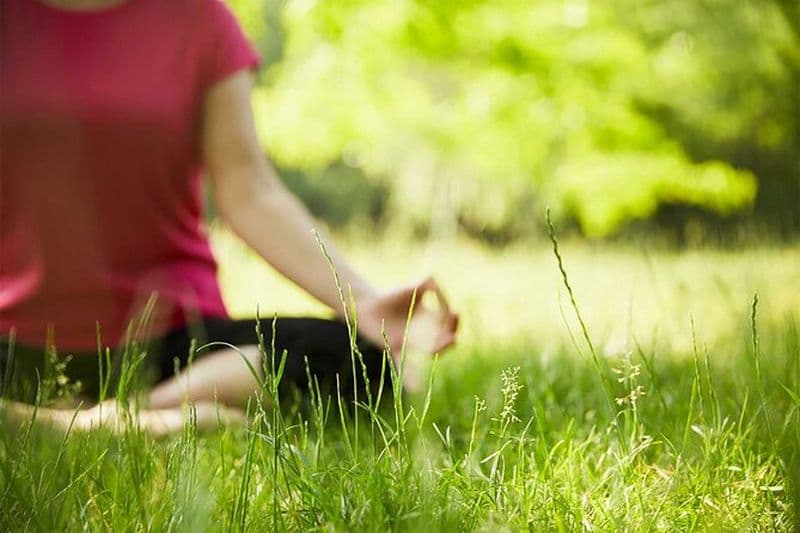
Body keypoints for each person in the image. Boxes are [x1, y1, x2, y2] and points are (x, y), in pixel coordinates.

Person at [0, 0, 458, 436]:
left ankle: (132, 415)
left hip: (177, 344)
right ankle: (80, 427)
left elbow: (250, 191)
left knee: (359, 363)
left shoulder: (198, 18)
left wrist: (361, 302)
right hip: (11, 339)